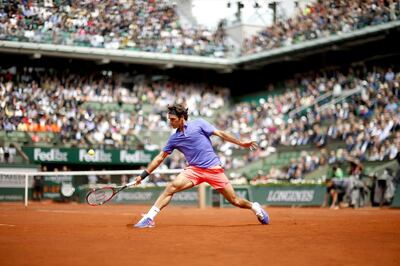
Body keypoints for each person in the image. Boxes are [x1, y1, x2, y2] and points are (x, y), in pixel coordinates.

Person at [133, 103, 269, 228]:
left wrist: (240, 143)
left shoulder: (199, 124)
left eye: (173, 119)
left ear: (181, 118)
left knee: (235, 201)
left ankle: (255, 207)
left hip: (213, 169)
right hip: (194, 170)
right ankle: (150, 217)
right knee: (170, 187)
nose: (170, 122)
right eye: (169, 119)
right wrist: (143, 175)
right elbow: (159, 158)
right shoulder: (174, 138)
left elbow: (220, 133)